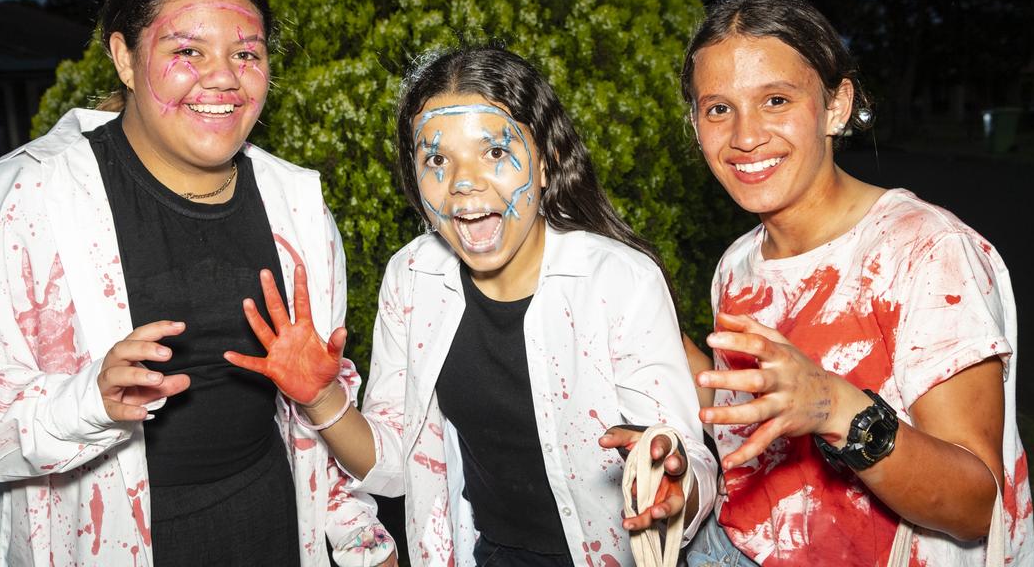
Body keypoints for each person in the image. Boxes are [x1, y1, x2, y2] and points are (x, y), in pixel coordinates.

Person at [0, 0, 392, 566]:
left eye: (245, 54)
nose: (223, 77)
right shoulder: (13, 205)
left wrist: (357, 535)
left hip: (273, 530)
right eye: (186, 51)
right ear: (123, 56)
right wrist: (80, 403)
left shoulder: (297, 205)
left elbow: (322, 390)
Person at [225, 46, 718, 565]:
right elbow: (396, 467)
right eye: (437, 159)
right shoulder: (412, 279)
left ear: (546, 164)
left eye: (495, 152)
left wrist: (673, 486)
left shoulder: (621, 281)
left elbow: (691, 461)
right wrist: (323, 400)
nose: (463, 181)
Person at [680, 0, 1034, 566]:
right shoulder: (738, 265)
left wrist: (834, 407)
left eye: (776, 100)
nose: (745, 137)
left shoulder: (923, 250)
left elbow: (975, 506)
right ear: (697, 126)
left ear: (837, 106)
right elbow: (749, 422)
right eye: (719, 108)